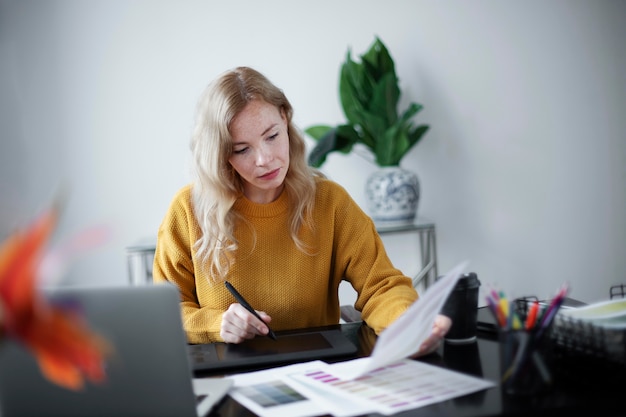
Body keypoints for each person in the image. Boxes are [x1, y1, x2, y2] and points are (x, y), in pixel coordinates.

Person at [153, 66, 450, 356]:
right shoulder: (189, 210)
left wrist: (409, 322)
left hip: (317, 372)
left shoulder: (328, 202)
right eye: (242, 149)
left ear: (285, 118)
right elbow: (167, 313)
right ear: (221, 153)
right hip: (227, 376)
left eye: (272, 136)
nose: (265, 159)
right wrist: (218, 324)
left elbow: (382, 286)